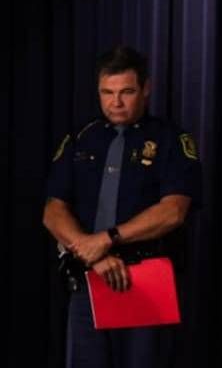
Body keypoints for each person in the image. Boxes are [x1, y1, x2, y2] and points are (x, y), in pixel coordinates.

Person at [42, 45, 201, 368]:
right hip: (89, 277)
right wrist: (91, 252)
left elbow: (173, 211)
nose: (116, 102)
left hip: (147, 278)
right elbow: (53, 211)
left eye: (126, 92)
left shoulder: (171, 139)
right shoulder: (81, 138)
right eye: (107, 92)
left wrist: (107, 239)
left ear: (146, 89)